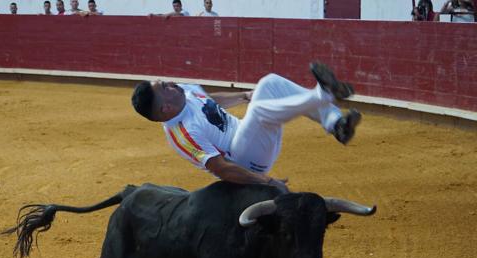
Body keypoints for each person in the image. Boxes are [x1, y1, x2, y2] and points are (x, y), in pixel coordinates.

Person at [131, 63, 361, 186]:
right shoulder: (182, 135)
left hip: (249, 134)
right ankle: (323, 93)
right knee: (260, 111)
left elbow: (208, 101)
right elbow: (221, 168)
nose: (171, 83)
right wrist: (266, 181)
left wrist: (243, 95)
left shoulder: (184, 91)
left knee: (269, 83)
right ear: (165, 109)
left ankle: (336, 123)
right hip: (247, 162)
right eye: (165, 87)